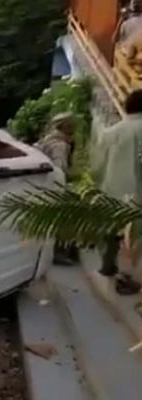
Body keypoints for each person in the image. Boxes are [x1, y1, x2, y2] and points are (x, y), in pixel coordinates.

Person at [92, 89, 142, 295]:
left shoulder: (110, 132)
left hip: (111, 191)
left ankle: (107, 266)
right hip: (138, 194)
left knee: (111, 232)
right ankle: (129, 276)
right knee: (136, 236)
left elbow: (97, 166)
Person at [35, 113, 79, 265]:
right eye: (71, 124)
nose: (75, 127)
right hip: (54, 185)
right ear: (66, 126)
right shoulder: (60, 145)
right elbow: (60, 169)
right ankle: (59, 253)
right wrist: (72, 178)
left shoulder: (47, 139)